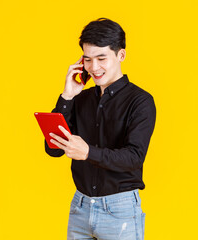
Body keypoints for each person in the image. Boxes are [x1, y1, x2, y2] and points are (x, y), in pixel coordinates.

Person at [45, 18, 156, 240]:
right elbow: (53, 149)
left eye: (101, 58)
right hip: (80, 206)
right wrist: (67, 96)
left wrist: (88, 153)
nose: (93, 67)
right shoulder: (80, 98)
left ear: (121, 55)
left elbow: (134, 157)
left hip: (120, 209)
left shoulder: (141, 101)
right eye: (87, 59)